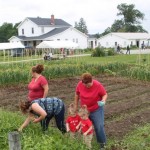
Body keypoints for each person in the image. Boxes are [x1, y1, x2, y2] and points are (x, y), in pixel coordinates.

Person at [74, 73, 108, 150]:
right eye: (84, 84)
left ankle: (102, 145)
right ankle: (83, 143)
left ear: (91, 80)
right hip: (84, 110)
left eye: (88, 85)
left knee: (99, 126)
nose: (86, 86)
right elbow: (77, 94)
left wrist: (103, 100)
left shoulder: (98, 85)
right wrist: (76, 105)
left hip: (96, 109)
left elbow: (105, 94)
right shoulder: (80, 84)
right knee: (81, 125)